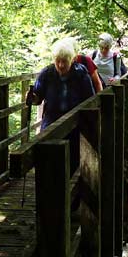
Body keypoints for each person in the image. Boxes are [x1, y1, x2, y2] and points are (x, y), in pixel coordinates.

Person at [27, 37, 94, 173]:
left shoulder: (81, 74)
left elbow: (90, 100)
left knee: (72, 161)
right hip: (51, 121)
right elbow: (37, 98)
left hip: (75, 123)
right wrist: (31, 98)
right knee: (48, 159)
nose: (61, 65)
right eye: (58, 61)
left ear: (72, 60)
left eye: (64, 61)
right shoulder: (47, 74)